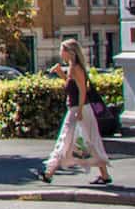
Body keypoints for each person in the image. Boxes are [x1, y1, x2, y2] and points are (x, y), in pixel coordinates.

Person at [39, 38, 113, 185]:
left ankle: (49, 172)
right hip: (78, 109)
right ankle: (104, 175)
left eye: (62, 50)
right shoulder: (73, 67)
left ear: (68, 52)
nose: (60, 54)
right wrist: (60, 73)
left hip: (79, 110)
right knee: (89, 140)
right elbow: (71, 87)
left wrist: (79, 111)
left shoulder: (76, 68)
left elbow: (82, 90)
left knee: (66, 139)